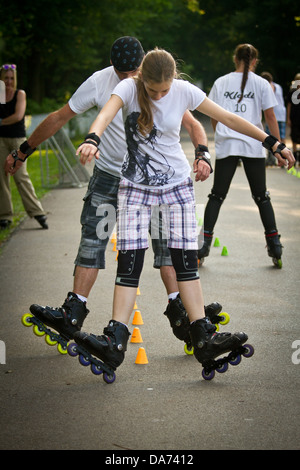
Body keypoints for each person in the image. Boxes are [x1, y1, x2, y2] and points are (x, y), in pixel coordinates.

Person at [72, 48, 294, 374]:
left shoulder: (184, 91)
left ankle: (202, 334)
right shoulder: (128, 87)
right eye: (153, 90)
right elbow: (105, 114)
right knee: (130, 262)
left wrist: (273, 143)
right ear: (142, 79)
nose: (160, 95)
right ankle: (115, 339)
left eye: (165, 89)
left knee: (185, 260)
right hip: (135, 187)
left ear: (173, 79)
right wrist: (93, 138)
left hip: (176, 186)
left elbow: (230, 119)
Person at [6, 37, 210, 344]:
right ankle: (74, 309)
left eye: (134, 72)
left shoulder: (156, 83)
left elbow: (193, 123)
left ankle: (179, 308)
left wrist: (202, 152)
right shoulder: (100, 83)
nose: (130, 79)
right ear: (113, 68)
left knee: (164, 245)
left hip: (150, 182)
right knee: (93, 239)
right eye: (123, 73)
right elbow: (61, 117)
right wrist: (24, 150)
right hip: (108, 177)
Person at [197, 44, 289, 268]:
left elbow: (213, 115)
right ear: (255, 61)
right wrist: (277, 148)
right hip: (253, 144)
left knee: (217, 196)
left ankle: (203, 246)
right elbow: (269, 117)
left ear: (234, 59)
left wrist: (221, 133)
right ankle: (274, 245)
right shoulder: (262, 84)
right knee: (262, 197)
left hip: (228, 145)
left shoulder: (221, 82)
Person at [0, 64, 48, 230]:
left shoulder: (20, 94)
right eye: (6, 78)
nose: (9, 81)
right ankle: (5, 215)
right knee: (1, 177)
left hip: (17, 140)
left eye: (12, 78)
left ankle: (37, 212)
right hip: (1, 140)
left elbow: (18, 116)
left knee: (20, 176)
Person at [261, 71, 286, 166]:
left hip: (273, 114)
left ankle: (272, 157)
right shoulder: (278, 86)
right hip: (281, 114)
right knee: (281, 136)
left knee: (270, 136)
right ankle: (284, 155)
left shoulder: (269, 86)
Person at [287, 73, 300, 166]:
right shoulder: (292, 91)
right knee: (294, 137)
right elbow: (289, 105)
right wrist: (288, 118)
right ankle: (295, 155)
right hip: (294, 117)